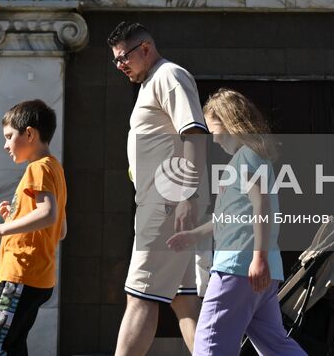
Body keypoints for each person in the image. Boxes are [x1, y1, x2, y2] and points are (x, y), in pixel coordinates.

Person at [168, 89, 305, 356]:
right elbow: (233, 216)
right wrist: (194, 235)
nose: (213, 139)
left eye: (212, 129)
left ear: (228, 121)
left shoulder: (245, 158)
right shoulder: (254, 157)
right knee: (275, 344)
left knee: (209, 344)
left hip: (238, 268)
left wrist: (258, 257)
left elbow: (261, 206)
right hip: (259, 273)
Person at [110, 20, 210, 355]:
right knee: (185, 304)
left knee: (139, 295)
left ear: (146, 48)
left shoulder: (169, 75)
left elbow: (194, 133)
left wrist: (187, 197)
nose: (121, 66)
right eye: (116, 61)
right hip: (165, 202)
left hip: (167, 202)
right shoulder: (152, 82)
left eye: (124, 58)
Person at [0, 99, 68, 356]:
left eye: (9, 136)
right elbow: (59, 229)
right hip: (39, 277)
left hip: (21, 274)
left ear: (29, 133)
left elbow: (48, 215)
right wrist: (15, 216)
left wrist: (0, 229)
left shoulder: (37, 169)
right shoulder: (55, 170)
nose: (5, 145)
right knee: (13, 346)